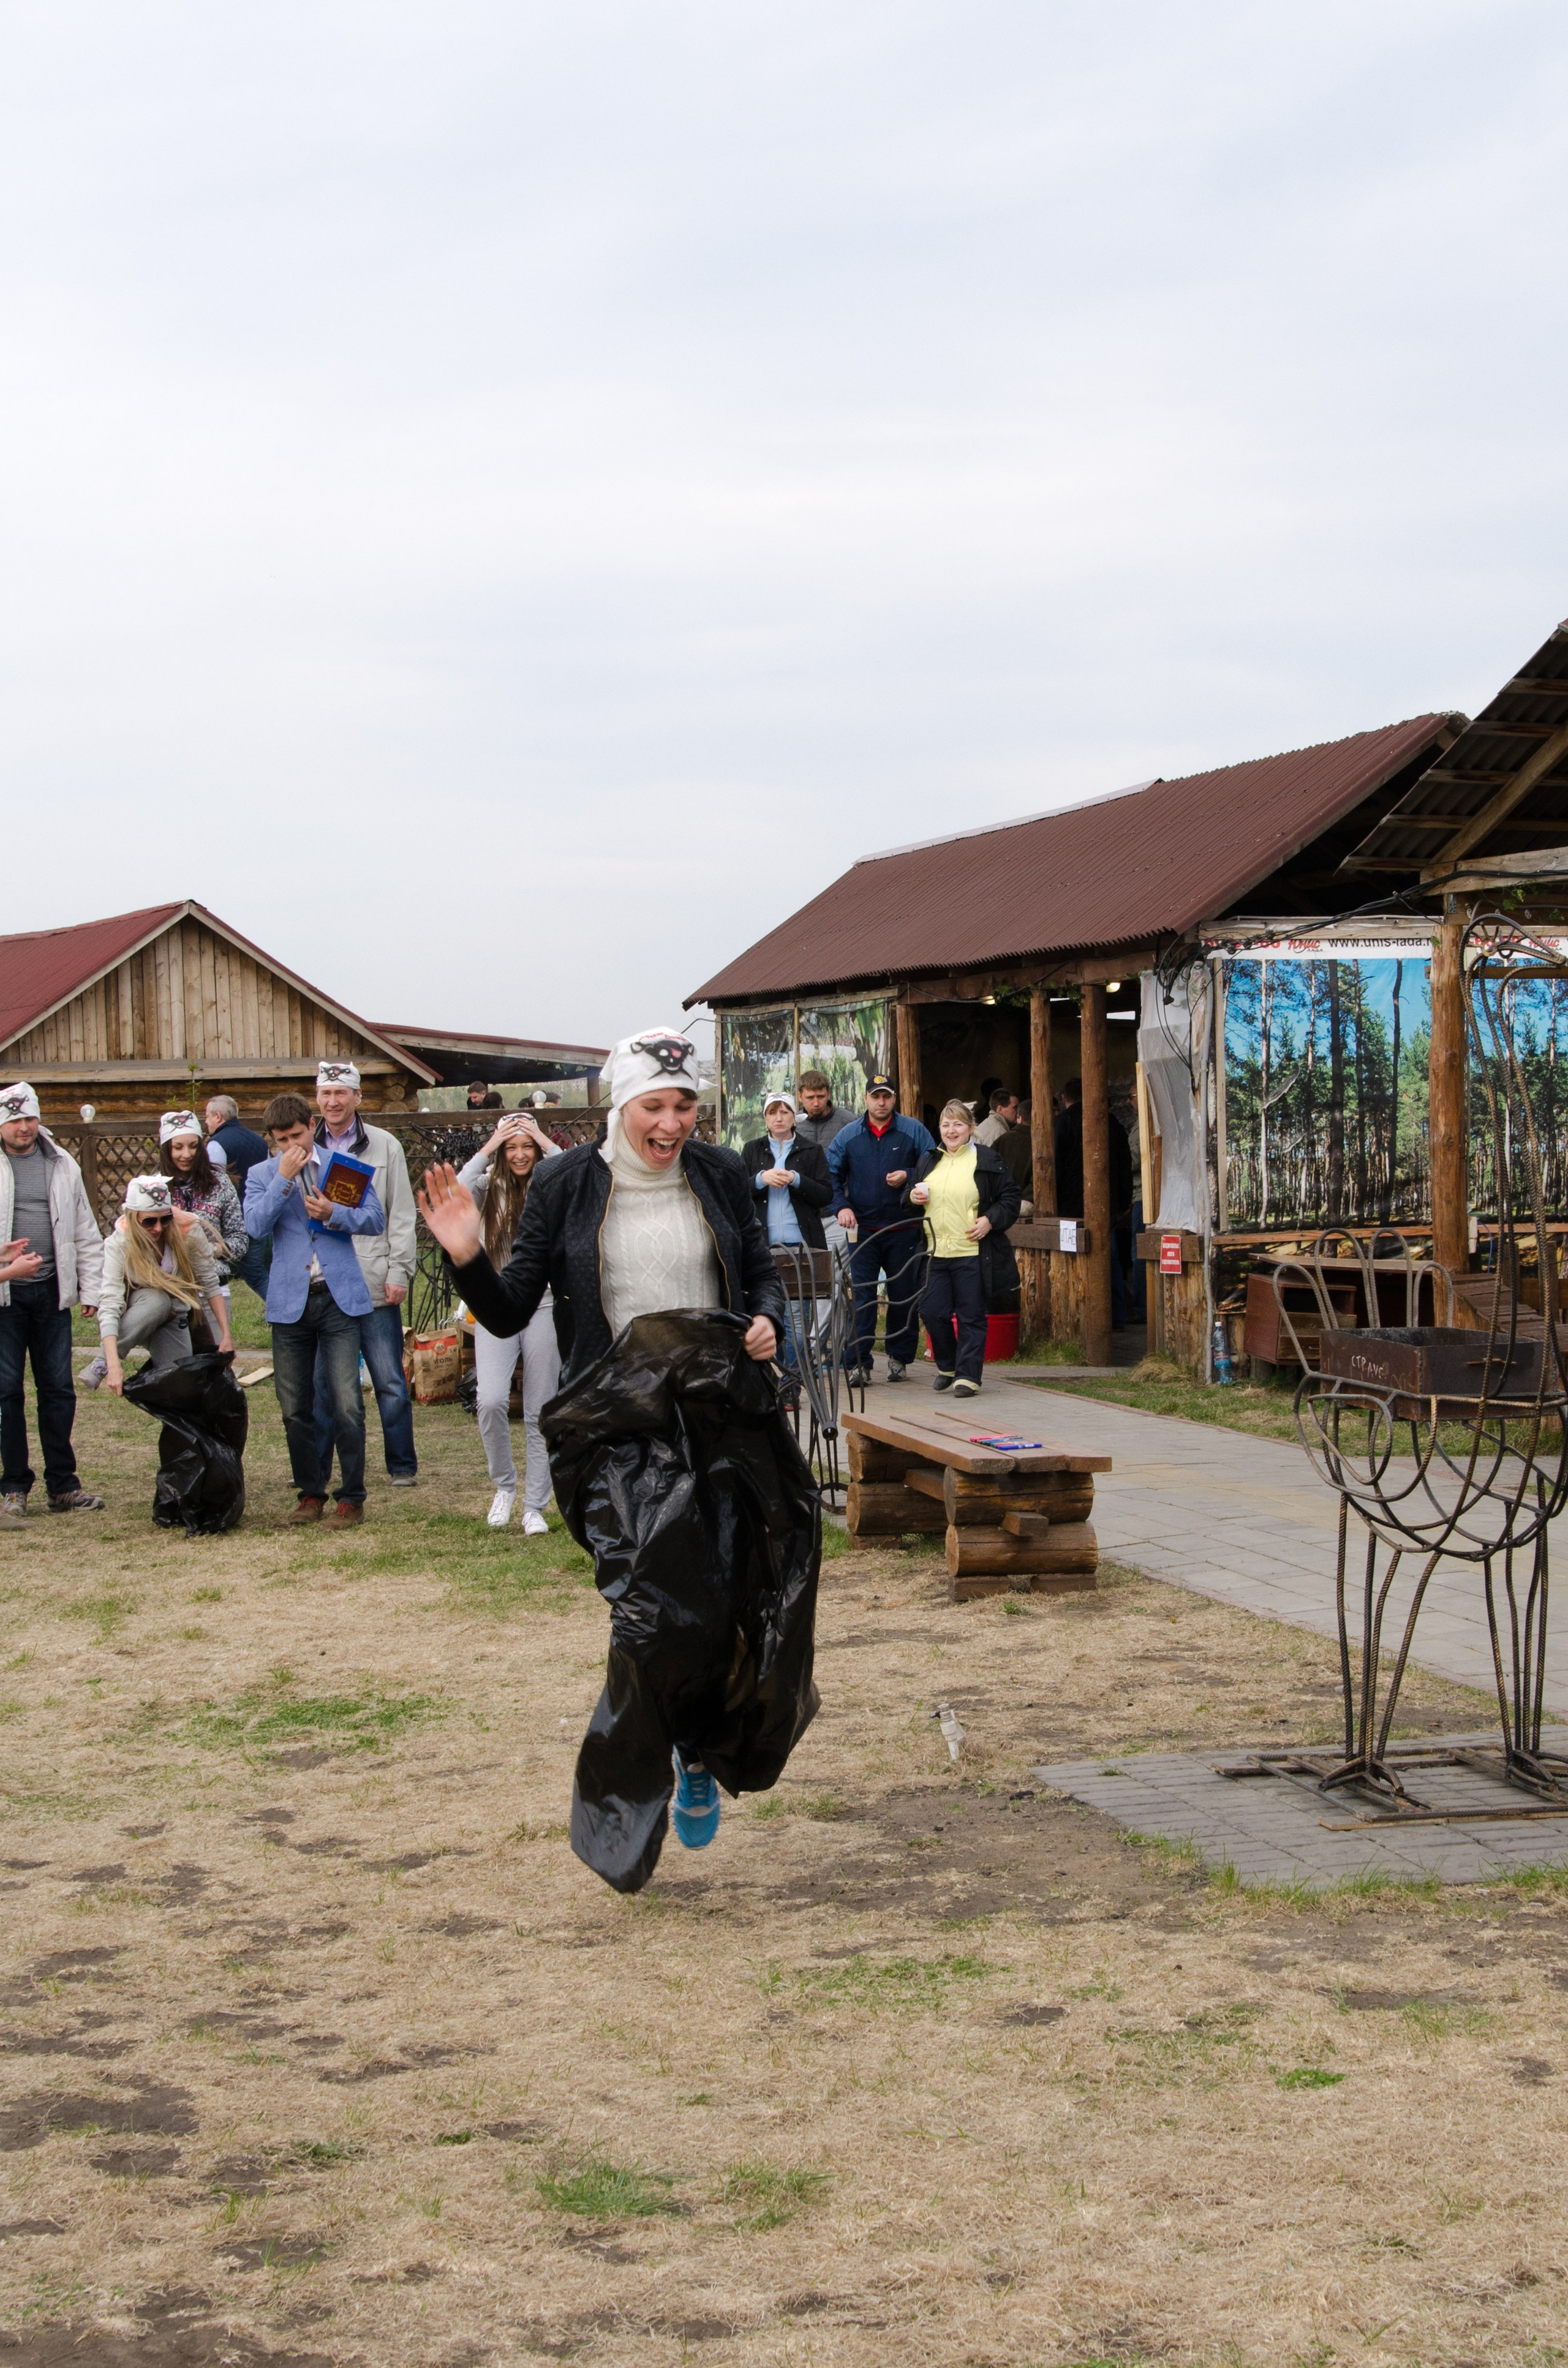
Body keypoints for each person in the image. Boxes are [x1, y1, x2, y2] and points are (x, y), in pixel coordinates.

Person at [416, 1026, 786, 1862]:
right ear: (622, 1106)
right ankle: (635, 1784)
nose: (671, 1122)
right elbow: (509, 1310)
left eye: (685, 1104)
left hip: (715, 1416)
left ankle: (693, 1746)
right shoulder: (565, 1182)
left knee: (721, 1604)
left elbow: (760, 1270)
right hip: (614, 1429)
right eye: (654, 1105)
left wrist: (766, 1321)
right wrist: (469, 1254)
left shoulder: (722, 1172)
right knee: (654, 1608)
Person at [242, 1092, 386, 1526]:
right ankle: (310, 1494)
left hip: (339, 1300)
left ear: (312, 1125)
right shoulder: (260, 1174)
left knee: (346, 1403)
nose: (293, 1147)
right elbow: (254, 1226)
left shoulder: (343, 1168)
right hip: (290, 1303)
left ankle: (352, 1498)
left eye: (298, 1136)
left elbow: (376, 1218)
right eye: (282, 1140)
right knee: (294, 1406)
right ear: (271, 1140)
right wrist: (283, 1180)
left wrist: (335, 1212)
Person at [308, 1061, 420, 1491]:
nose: (333, 1101)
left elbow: (402, 1214)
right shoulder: (306, 1146)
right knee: (323, 1385)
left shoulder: (385, 1145)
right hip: (324, 1283)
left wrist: (399, 1271)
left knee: (388, 1378)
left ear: (357, 1098)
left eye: (341, 1093)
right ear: (317, 1098)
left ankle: (401, 1465)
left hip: (373, 1278)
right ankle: (317, 1466)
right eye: (326, 1093)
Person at [0, 1082, 105, 1517]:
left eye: (30, 1118)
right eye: (15, 1120)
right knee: (6, 1392)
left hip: (51, 1292)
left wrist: (91, 1287)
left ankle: (63, 1485)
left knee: (59, 1390)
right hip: (5, 1296)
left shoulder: (63, 1163)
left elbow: (85, 1227)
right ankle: (13, 1486)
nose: (24, 1128)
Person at [455, 1110, 562, 1531]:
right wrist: (488, 1145)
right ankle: (504, 1486)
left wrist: (539, 1133)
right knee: (491, 1400)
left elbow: (577, 1167)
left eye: (527, 1146)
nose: (520, 1154)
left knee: (540, 1408)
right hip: (497, 1302)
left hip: (546, 1302)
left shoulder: (552, 1186)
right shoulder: (486, 1188)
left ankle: (535, 1505)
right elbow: (456, 1187)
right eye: (511, 1147)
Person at [906, 1100, 1021, 1397]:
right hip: (935, 1253)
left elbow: (1010, 1200)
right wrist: (911, 1197)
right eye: (946, 1125)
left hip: (972, 1252)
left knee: (971, 1316)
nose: (951, 1130)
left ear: (971, 1128)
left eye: (958, 1124)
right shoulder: (929, 1159)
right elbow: (910, 1200)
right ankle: (947, 1365)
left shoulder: (987, 1159)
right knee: (932, 1312)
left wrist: (989, 1221)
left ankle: (968, 1376)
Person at [826, 1075, 934, 1385]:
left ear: (895, 1098)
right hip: (863, 1232)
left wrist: (910, 1175)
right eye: (876, 1096)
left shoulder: (914, 1130)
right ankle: (859, 1363)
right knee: (862, 1298)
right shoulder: (848, 1135)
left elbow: (935, 1166)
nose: (881, 1102)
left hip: (904, 1227)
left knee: (903, 1296)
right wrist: (841, 1207)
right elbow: (830, 1174)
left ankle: (899, 1359)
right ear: (867, 1099)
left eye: (886, 1096)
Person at [95, 1174, 234, 1395]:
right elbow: (110, 1302)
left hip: (175, 1312)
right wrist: (112, 1363)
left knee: (181, 1388)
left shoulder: (188, 1230)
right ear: (133, 1218)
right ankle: (101, 1363)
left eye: (165, 1219)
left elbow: (209, 1282)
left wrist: (226, 1335)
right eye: (149, 1221)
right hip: (138, 1310)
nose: (158, 1228)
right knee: (156, 1300)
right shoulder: (120, 1242)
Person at [743, 1092, 832, 1400]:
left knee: (796, 1318)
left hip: (801, 1247)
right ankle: (786, 1375)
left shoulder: (811, 1150)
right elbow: (737, 1192)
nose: (779, 1118)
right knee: (773, 1316)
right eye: (772, 1113)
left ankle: (790, 1384)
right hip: (763, 1248)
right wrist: (760, 1179)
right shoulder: (752, 1150)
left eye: (784, 1112)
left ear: (795, 1117)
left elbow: (825, 1195)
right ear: (765, 1118)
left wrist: (796, 1179)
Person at [1052, 1076, 1136, 1330]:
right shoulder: (1112, 1123)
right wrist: (1123, 1201)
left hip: (1069, 1207)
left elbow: (1052, 1166)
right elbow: (1125, 1164)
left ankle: (1079, 1320)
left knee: (1071, 1261)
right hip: (1105, 1205)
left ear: (1065, 1099)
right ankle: (1115, 1318)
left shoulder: (1062, 1123)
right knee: (1109, 1258)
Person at [205, 1097, 270, 1295]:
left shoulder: (216, 1144)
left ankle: (286, 1312)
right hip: (258, 1215)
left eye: (207, 1117)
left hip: (235, 1221)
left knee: (255, 1275)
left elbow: (214, 1187)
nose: (206, 1122)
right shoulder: (260, 1141)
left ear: (218, 1116)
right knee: (258, 1271)